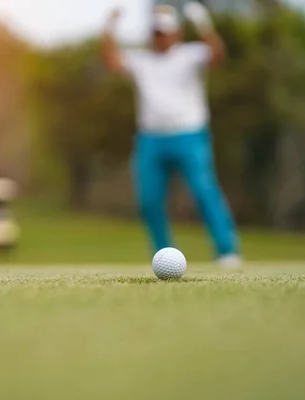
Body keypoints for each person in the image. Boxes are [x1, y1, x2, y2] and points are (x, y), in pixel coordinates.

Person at [101, 2, 242, 268]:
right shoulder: (141, 60)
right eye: (156, 32)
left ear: (176, 33)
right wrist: (109, 27)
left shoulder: (191, 54)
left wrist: (205, 25)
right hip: (151, 139)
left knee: (204, 191)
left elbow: (217, 56)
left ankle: (227, 251)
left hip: (189, 134)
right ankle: (163, 256)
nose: (160, 37)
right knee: (150, 200)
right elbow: (112, 60)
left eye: (164, 32)